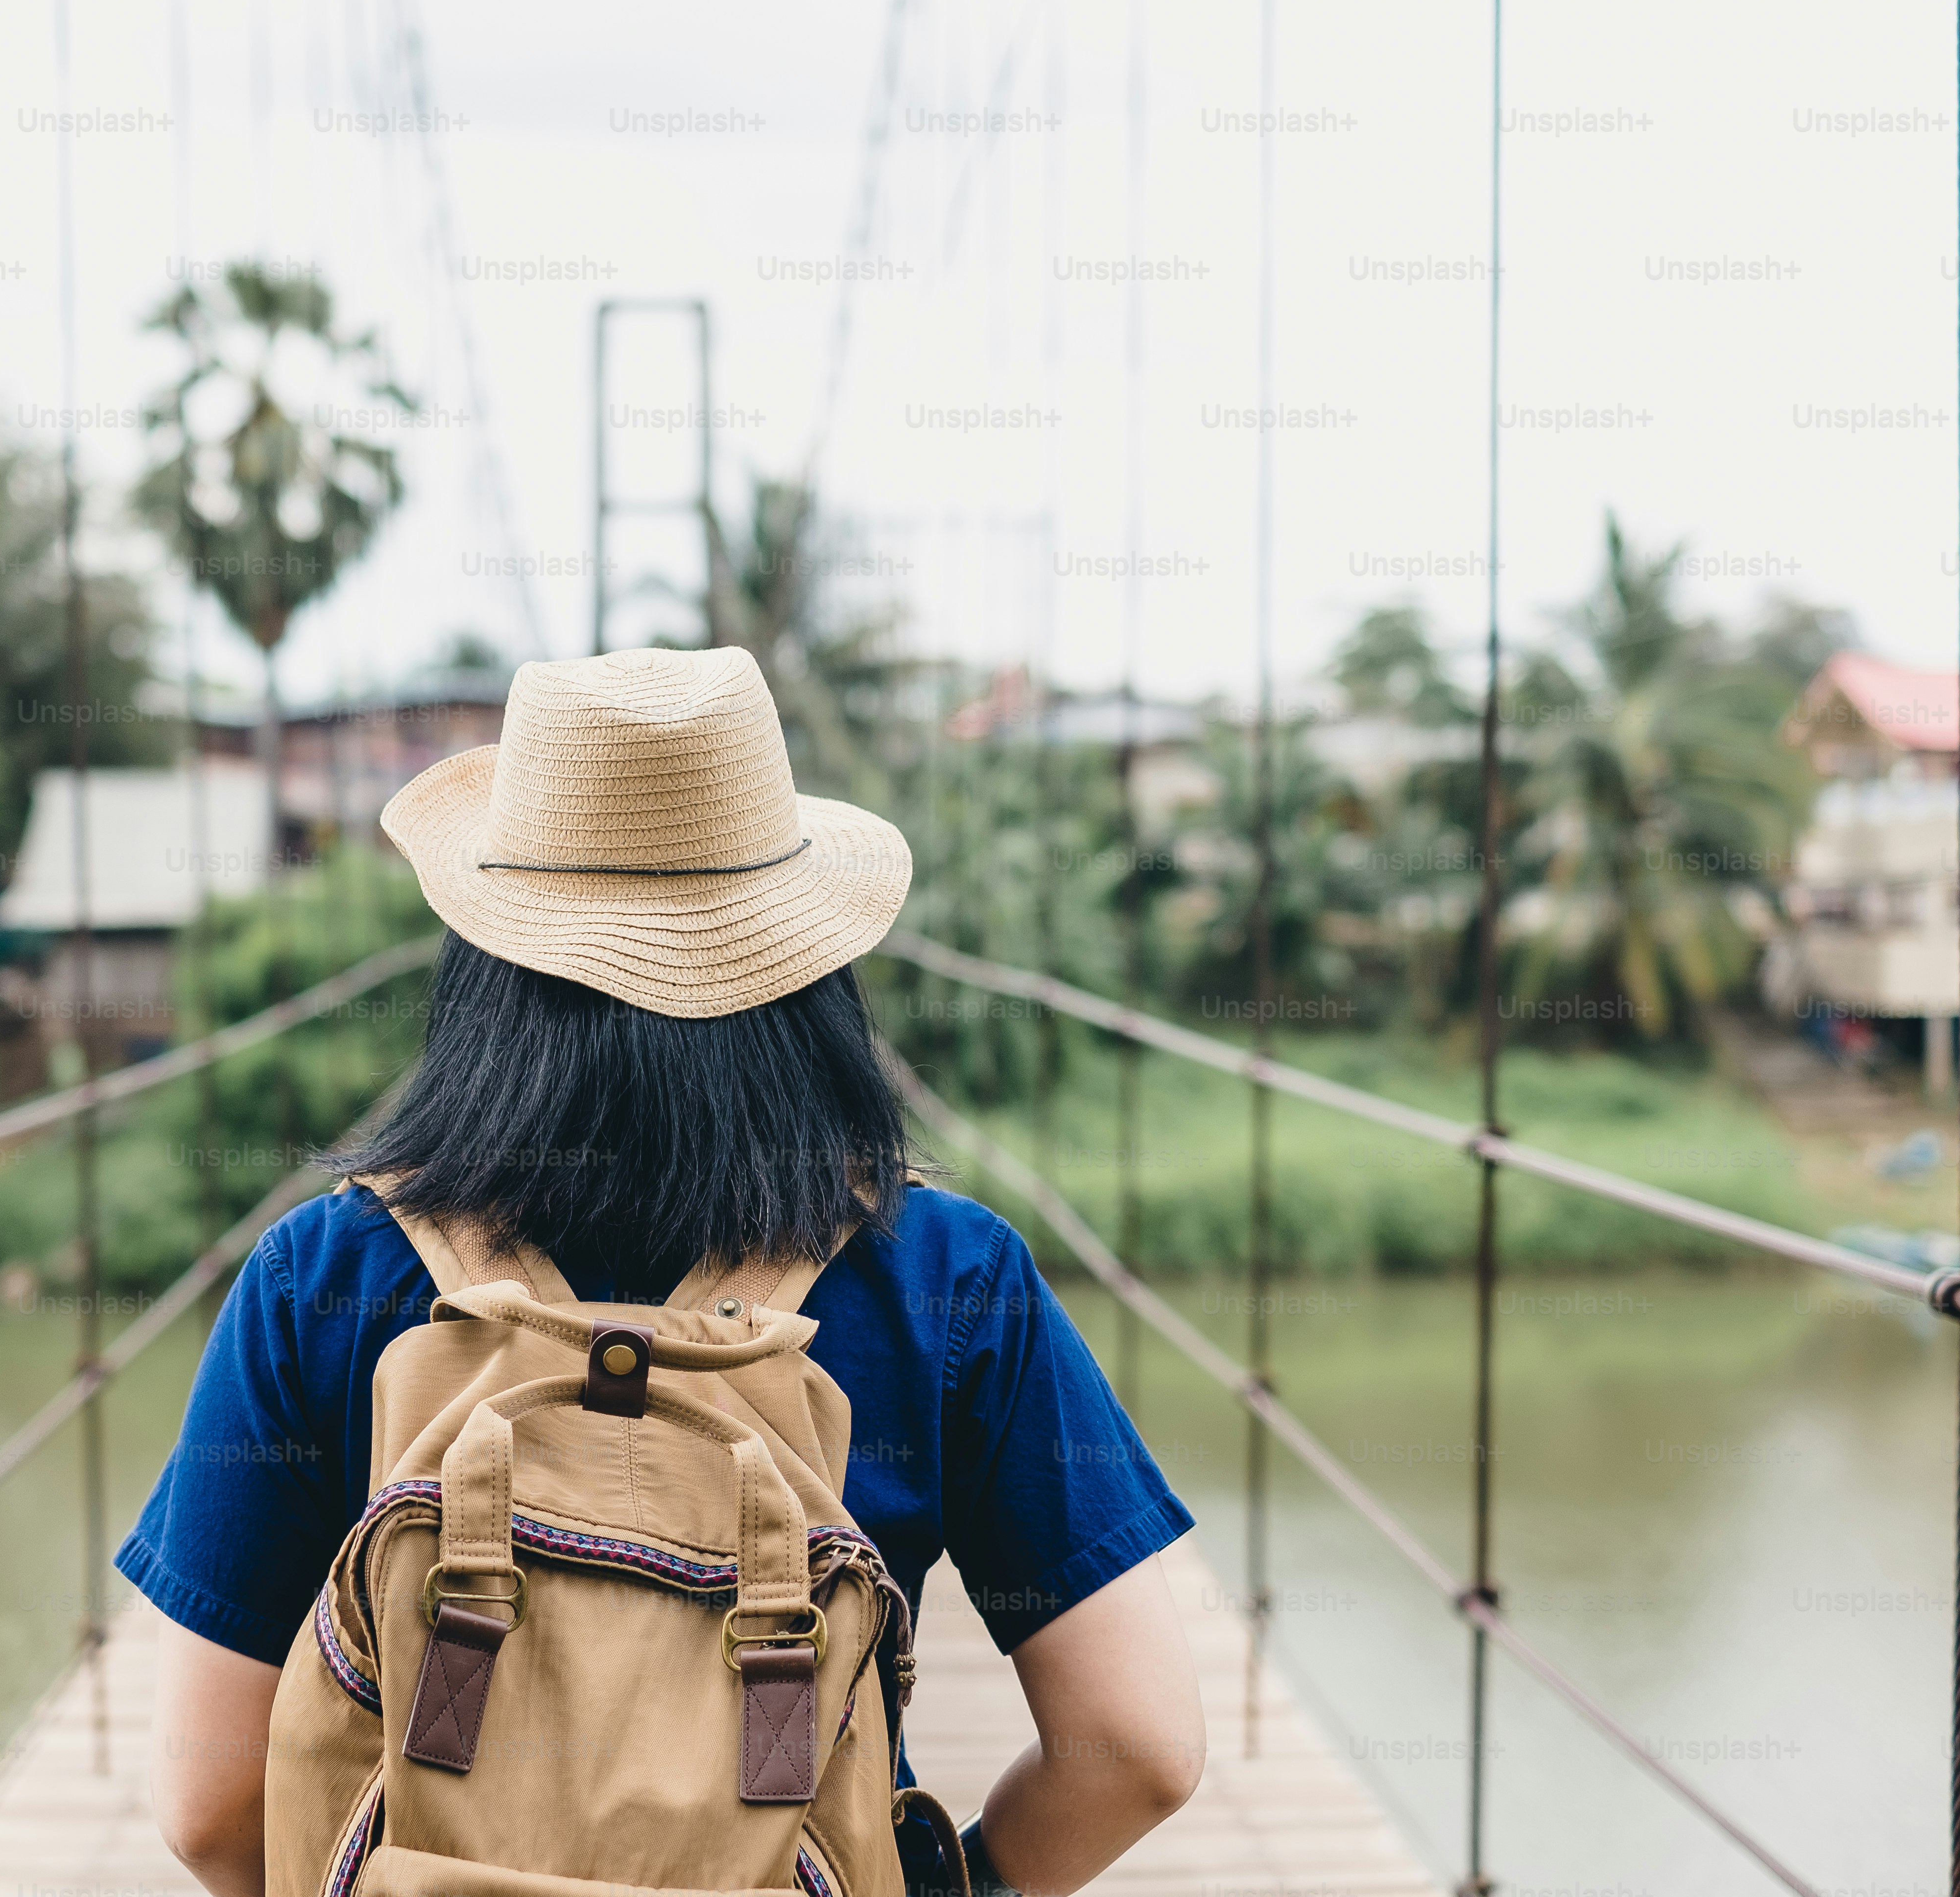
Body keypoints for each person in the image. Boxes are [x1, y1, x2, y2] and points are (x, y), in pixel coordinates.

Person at [119, 647, 1204, 1897]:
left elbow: (210, 1804)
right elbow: (1138, 1746)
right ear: (806, 957)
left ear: (482, 947)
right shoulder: (949, 1277)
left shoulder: (318, 1275)